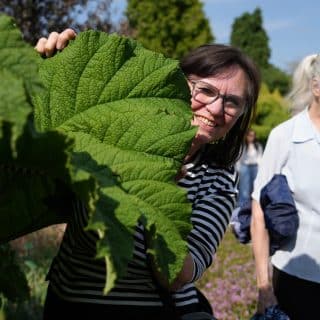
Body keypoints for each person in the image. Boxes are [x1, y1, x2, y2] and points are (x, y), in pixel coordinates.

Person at [35, 29, 260, 319]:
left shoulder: (218, 179)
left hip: (150, 311)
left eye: (232, 102)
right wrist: (52, 64)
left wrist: (157, 197)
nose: (216, 108)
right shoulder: (114, 132)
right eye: (205, 90)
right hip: (69, 304)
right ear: (177, 81)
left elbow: (177, 276)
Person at [250, 53, 320, 320]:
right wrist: (264, 286)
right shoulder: (286, 136)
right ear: (316, 86)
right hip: (295, 277)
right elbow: (258, 211)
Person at [236, 128, 263, 208]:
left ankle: (253, 206)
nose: (251, 137)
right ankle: (242, 206)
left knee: (254, 187)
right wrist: (238, 169)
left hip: (255, 167)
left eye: (253, 135)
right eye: (250, 135)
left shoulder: (257, 145)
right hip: (245, 167)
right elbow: (239, 158)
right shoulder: (243, 145)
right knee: (244, 188)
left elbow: (259, 157)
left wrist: (260, 169)